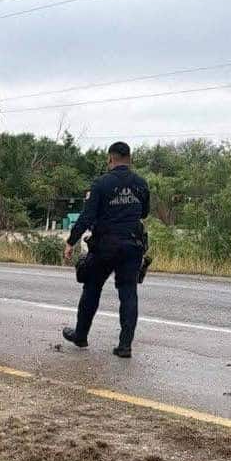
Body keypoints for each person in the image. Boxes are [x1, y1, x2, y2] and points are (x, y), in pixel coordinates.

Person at [62, 141, 150, 358]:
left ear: (110, 159)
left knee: (92, 287)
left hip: (105, 246)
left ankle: (81, 335)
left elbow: (87, 217)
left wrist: (71, 241)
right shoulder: (141, 183)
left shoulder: (101, 183)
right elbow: (144, 213)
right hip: (132, 245)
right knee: (128, 292)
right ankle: (125, 346)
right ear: (130, 158)